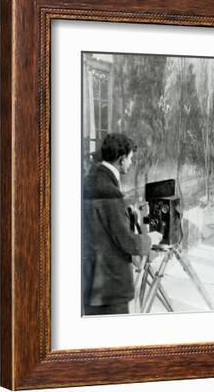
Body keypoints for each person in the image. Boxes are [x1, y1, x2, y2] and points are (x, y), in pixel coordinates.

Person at [82, 133, 163, 315]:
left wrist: (125, 211)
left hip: (88, 282)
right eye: (130, 158)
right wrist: (150, 238)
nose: (131, 163)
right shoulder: (110, 193)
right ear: (121, 160)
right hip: (110, 287)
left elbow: (100, 227)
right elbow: (128, 242)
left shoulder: (91, 181)